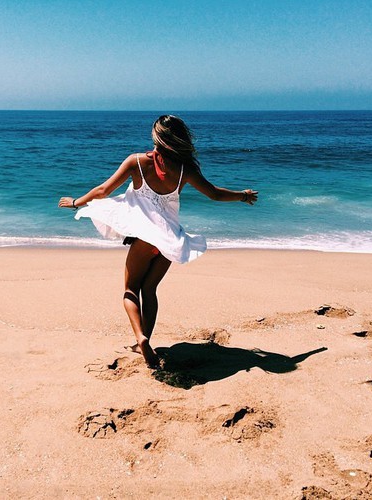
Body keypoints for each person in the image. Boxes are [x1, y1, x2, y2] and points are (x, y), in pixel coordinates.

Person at [59, 115, 258, 368]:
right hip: (169, 240)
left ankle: (140, 338)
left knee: (131, 290)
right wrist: (243, 196)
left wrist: (76, 202)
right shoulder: (185, 169)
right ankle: (146, 340)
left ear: (157, 137)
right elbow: (215, 194)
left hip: (144, 238)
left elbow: (103, 191)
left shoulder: (136, 162)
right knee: (150, 290)